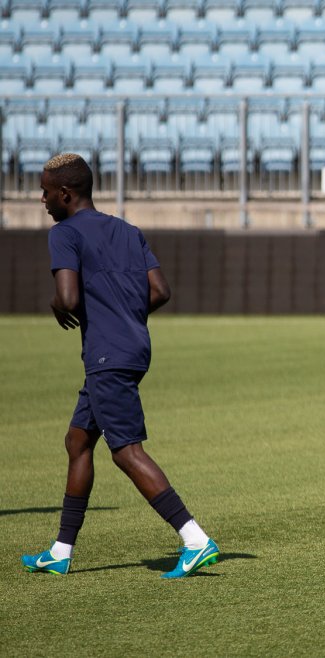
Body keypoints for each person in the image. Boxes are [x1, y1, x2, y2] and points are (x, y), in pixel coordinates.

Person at [21, 154, 219, 578]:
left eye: (45, 191)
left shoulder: (64, 233)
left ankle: (195, 539)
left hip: (106, 356)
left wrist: (57, 304)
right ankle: (60, 551)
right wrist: (123, 315)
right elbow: (160, 290)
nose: (42, 199)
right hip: (132, 348)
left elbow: (68, 298)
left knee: (126, 451)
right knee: (78, 441)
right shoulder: (128, 230)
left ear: (65, 194)